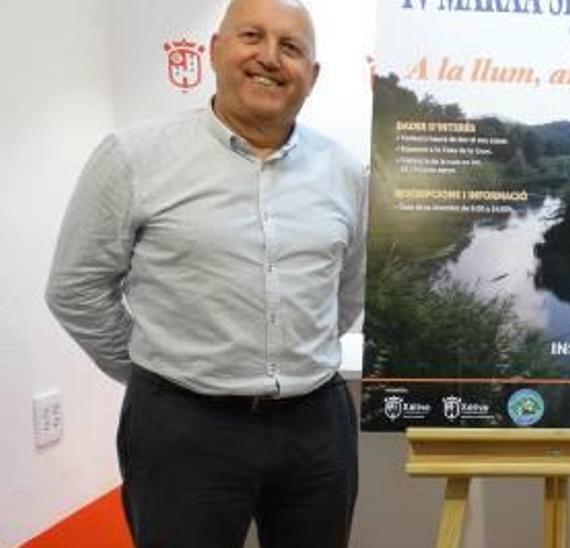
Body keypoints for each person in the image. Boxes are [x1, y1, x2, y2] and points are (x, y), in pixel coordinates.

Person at [45, 0, 366, 546]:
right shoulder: (133, 157)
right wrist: (160, 368)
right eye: (251, 36)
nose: (269, 58)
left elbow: (347, 290)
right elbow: (75, 289)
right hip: (184, 431)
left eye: (291, 48)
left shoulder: (345, 172)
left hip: (317, 428)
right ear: (215, 50)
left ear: (312, 75)